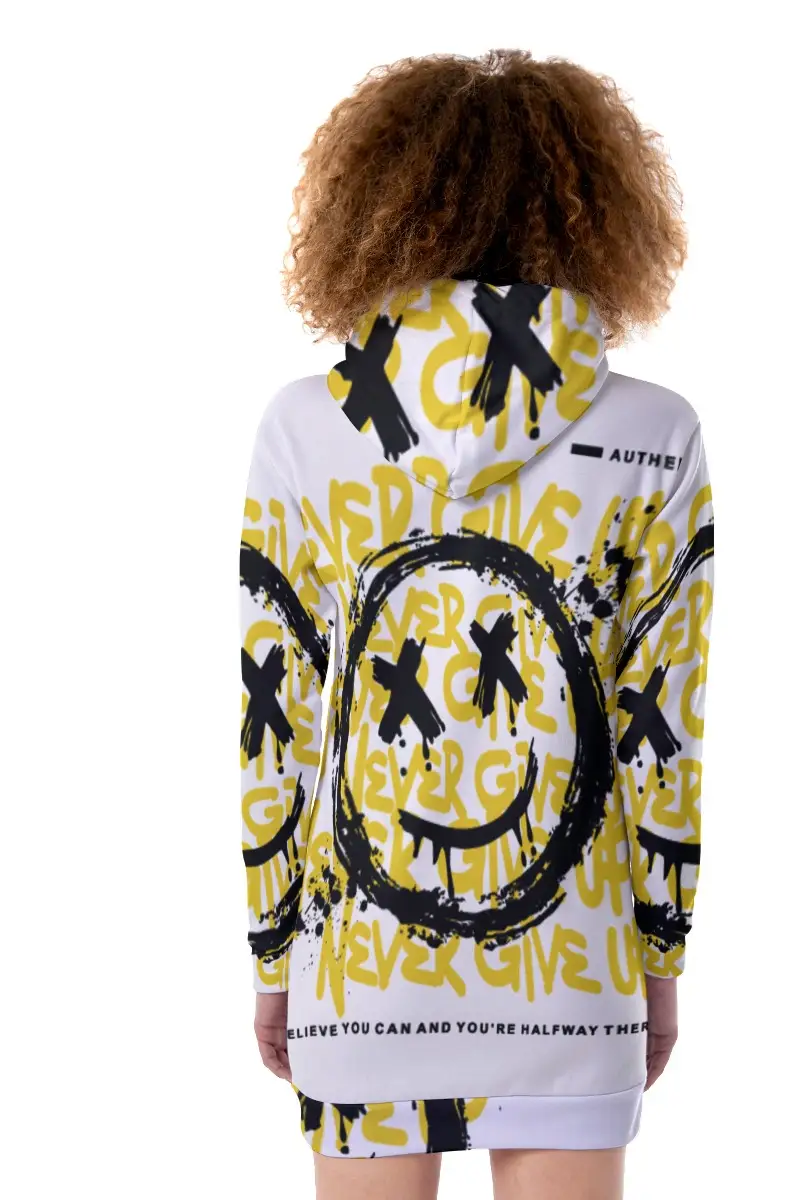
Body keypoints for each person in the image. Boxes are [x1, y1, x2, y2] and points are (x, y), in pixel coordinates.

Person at [238, 49, 714, 1200]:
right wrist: (658, 955)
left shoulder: (306, 429)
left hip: (361, 971)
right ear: (601, 214)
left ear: (373, 206)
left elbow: (274, 719)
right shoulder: (655, 435)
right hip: (574, 966)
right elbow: (663, 731)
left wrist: (274, 949)